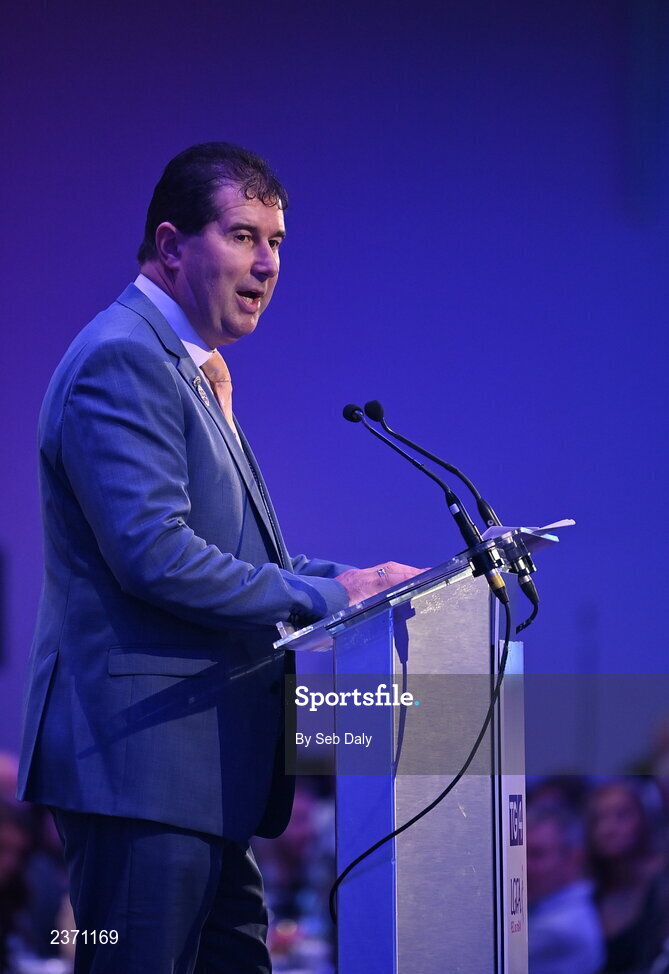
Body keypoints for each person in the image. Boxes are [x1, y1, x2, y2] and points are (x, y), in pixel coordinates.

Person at [16, 141, 421, 974]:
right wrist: (325, 596)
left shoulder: (192, 371)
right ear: (171, 245)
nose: (266, 264)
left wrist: (358, 584)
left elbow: (235, 554)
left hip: (195, 774)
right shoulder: (124, 358)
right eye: (242, 236)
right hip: (142, 766)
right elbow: (156, 556)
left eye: (276, 243)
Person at [587, 776, 669, 974]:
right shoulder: (590, 889)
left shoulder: (663, 885)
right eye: (598, 818)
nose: (608, 829)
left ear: (644, 818)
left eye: (621, 815)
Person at [526, 803, 604, 974]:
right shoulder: (547, 906)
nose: (523, 866)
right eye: (521, 854)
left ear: (574, 859)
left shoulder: (561, 928)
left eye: (537, 854)